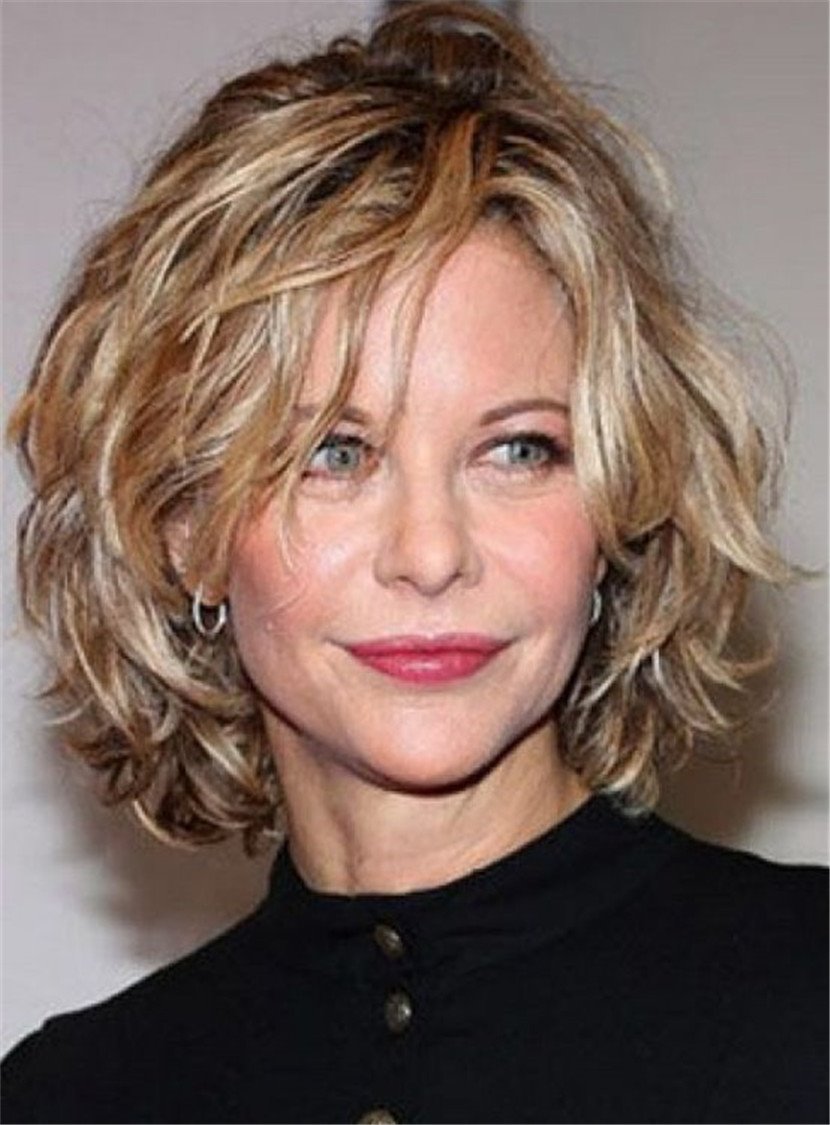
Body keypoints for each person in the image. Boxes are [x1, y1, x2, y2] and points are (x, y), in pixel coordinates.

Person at [2, 2, 826, 1122]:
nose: (431, 554)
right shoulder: (69, 1098)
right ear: (184, 524)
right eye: (334, 453)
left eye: (517, 450)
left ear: (619, 504)